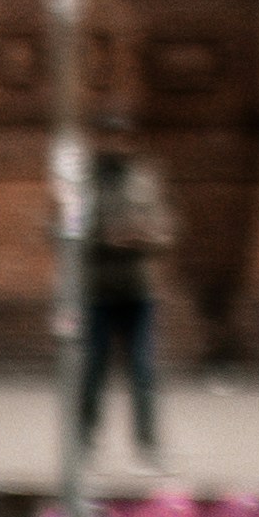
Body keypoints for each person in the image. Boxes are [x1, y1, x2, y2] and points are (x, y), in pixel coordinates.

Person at [79, 132, 172, 460]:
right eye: (109, 137)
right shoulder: (85, 183)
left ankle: (148, 444)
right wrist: (104, 239)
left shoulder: (144, 181)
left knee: (143, 370)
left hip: (138, 291)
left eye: (121, 137)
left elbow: (166, 230)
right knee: (93, 370)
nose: (115, 144)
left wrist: (145, 236)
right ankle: (84, 441)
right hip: (99, 292)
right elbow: (69, 233)